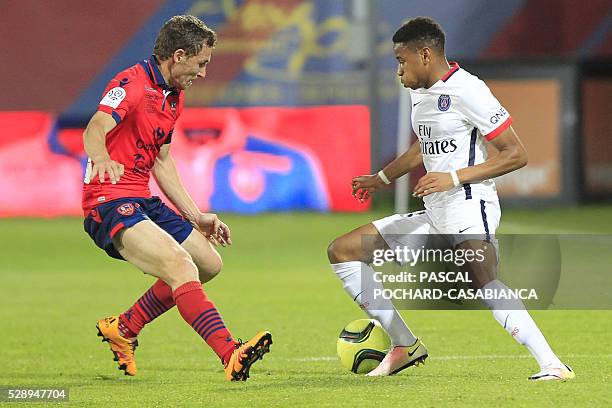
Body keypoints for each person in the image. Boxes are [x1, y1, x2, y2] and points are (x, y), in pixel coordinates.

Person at [327, 16, 574, 381]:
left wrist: (453, 177)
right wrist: (382, 177)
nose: (398, 70)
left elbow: (515, 154)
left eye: (401, 60)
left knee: (484, 279)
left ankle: (552, 364)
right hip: (435, 212)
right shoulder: (419, 92)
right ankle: (404, 345)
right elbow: (423, 147)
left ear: (425, 55)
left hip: (471, 207)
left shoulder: (468, 90)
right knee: (343, 250)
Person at [82, 15, 271, 381]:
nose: (202, 74)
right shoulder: (131, 84)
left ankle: (124, 327)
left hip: (141, 198)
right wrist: (102, 157)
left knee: (207, 264)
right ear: (179, 55)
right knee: (181, 266)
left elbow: (163, 161)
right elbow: (96, 126)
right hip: (107, 201)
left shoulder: (173, 96)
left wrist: (195, 215)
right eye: (201, 64)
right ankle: (230, 354)